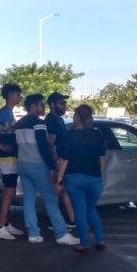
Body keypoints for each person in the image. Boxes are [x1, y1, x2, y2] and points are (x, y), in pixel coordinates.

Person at [14, 93, 80, 245]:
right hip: (38, 165)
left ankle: (33, 233)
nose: (43, 107)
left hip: (23, 164)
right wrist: (51, 167)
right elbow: (43, 148)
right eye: (41, 105)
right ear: (33, 106)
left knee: (29, 198)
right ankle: (61, 234)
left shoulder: (18, 124)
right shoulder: (39, 123)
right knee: (51, 198)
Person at [55, 104, 107, 253]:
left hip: (74, 178)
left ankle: (84, 243)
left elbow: (64, 159)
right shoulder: (98, 134)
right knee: (92, 209)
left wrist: (59, 179)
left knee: (79, 211)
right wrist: (99, 174)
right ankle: (100, 240)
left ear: (77, 117)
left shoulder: (70, 135)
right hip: (94, 178)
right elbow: (102, 158)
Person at [0, 83, 25, 240]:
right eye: (16, 94)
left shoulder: (8, 112)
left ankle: (6, 223)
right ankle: (0, 226)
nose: (19, 96)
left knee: (8, 189)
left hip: (8, 154)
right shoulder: (5, 112)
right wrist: (1, 144)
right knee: (10, 189)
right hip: (7, 155)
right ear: (9, 95)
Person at [45, 92, 76, 228]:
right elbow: (50, 142)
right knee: (57, 191)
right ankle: (58, 221)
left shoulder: (59, 119)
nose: (64, 106)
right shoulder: (51, 120)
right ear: (52, 104)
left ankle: (69, 220)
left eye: (65, 103)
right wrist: (56, 162)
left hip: (63, 160)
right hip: (57, 162)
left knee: (62, 190)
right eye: (61, 103)